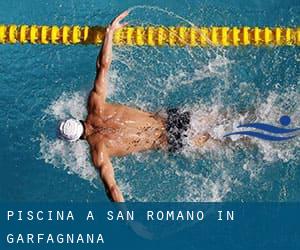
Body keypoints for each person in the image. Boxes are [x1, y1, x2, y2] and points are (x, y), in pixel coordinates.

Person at [58, 11, 210, 202]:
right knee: (226, 118)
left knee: (227, 141)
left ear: (76, 140)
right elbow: (103, 66)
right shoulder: (95, 105)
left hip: (171, 140)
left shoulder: (99, 152)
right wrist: (109, 33)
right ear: (76, 119)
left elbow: (112, 189)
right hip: (172, 118)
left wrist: (129, 221)